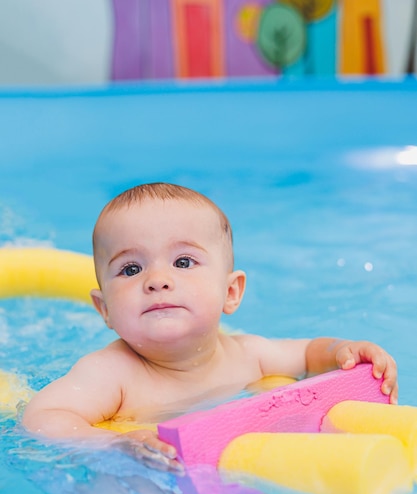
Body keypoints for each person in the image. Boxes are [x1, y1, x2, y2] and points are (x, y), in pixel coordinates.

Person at [23, 182, 398, 471]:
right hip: (137, 476)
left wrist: (343, 352)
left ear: (231, 292)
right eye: (131, 269)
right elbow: (42, 419)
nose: (157, 280)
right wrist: (115, 444)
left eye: (183, 262)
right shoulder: (111, 374)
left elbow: (306, 354)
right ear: (104, 309)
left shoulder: (248, 355)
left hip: (227, 460)